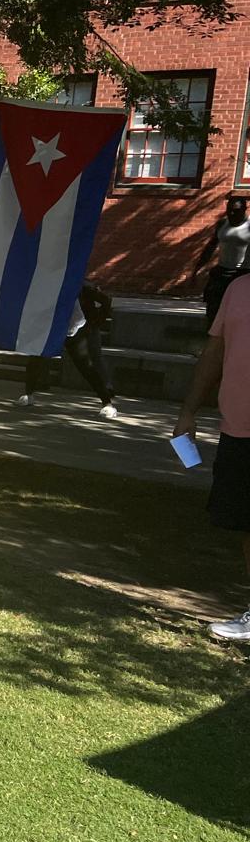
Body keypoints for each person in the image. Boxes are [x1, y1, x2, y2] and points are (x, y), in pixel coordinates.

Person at [175, 275, 250, 640]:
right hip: (238, 429)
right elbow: (214, 355)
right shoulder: (238, 290)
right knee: (247, 525)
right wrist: (188, 412)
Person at [15, 283, 118, 418]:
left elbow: (105, 300)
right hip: (52, 328)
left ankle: (107, 403)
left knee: (86, 366)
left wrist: (96, 321)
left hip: (74, 328)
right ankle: (28, 394)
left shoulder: (79, 284)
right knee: (36, 358)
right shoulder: (48, 282)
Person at [194, 195, 249, 327]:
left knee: (238, 310)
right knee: (213, 306)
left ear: (244, 210)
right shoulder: (222, 224)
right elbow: (211, 246)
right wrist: (198, 268)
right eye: (229, 210)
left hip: (242, 273)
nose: (231, 213)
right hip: (222, 270)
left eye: (236, 211)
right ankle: (211, 337)